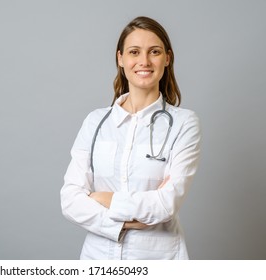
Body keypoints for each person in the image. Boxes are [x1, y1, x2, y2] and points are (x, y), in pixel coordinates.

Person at [60, 16, 201, 260]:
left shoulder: (183, 123)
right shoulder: (95, 122)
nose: (144, 61)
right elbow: (70, 201)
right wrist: (124, 222)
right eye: (134, 52)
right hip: (97, 259)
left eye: (154, 52)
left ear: (167, 58)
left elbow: (166, 204)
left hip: (158, 259)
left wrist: (103, 199)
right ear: (121, 59)